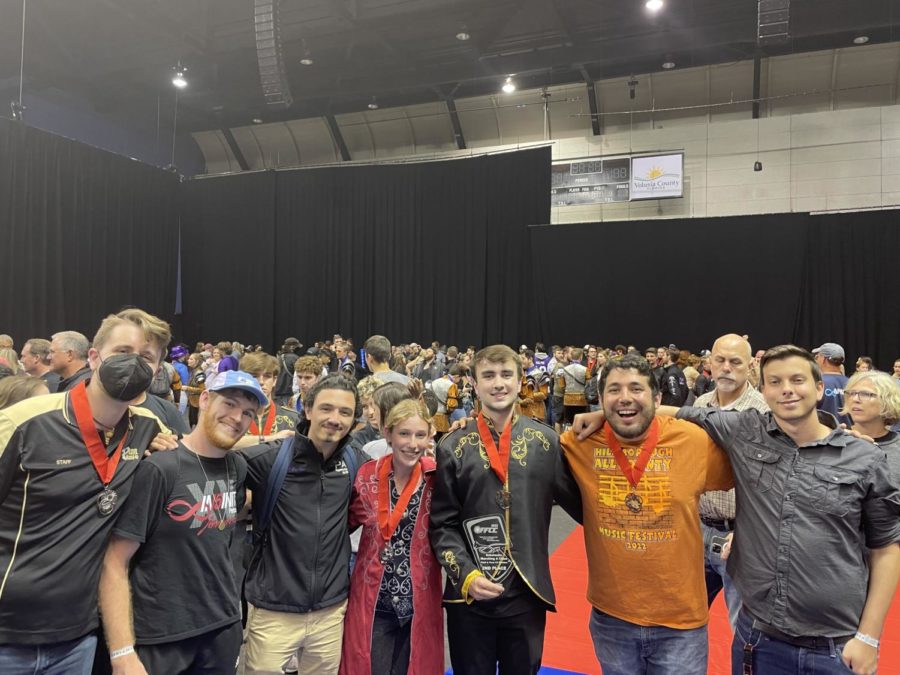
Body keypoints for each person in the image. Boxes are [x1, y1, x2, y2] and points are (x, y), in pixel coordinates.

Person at [575, 344, 900, 675]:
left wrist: (870, 637)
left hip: (836, 644)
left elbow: (887, 548)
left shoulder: (864, 457)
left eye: (797, 380)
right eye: (775, 381)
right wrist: (607, 412)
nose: (787, 389)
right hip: (759, 637)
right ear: (764, 389)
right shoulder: (745, 430)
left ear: (819, 388)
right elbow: (674, 412)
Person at [0, 308, 172, 674]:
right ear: (94, 357)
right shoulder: (23, 422)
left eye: (145, 357)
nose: (133, 363)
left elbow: (197, 444)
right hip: (7, 634)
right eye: (122, 351)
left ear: (157, 370)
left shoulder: (147, 428)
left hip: (77, 637)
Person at [560, 354, 733, 674]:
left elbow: (757, 472)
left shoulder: (692, 440)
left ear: (657, 398)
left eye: (636, 389)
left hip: (680, 623)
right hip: (612, 617)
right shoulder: (579, 442)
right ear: (600, 399)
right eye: (614, 390)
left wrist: (745, 528)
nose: (625, 397)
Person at [98, 371, 267, 675]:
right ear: (204, 399)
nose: (237, 418)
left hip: (222, 628)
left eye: (247, 413)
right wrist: (122, 651)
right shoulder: (160, 467)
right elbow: (114, 560)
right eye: (228, 404)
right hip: (162, 636)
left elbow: (223, 528)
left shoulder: (237, 467)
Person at [429, 344, 581, 675]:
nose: (498, 384)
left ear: (519, 379)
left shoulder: (546, 443)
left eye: (506, 375)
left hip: (527, 591)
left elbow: (584, 505)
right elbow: (442, 524)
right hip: (469, 594)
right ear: (474, 382)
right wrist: (466, 574)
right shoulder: (452, 446)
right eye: (488, 376)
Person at [240, 375, 371, 675]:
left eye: (345, 413)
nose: (335, 419)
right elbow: (213, 448)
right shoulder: (270, 459)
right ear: (308, 409)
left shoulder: (356, 463)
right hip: (273, 610)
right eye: (327, 408)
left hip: (330, 612)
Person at [340, 399, 443, 675]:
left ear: (430, 435)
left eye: (420, 435)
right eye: (404, 434)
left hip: (418, 600)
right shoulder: (366, 476)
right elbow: (340, 527)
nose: (412, 443)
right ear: (388, 434)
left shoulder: (438, 477)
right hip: (374, 601)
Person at [693, 334, 769, 631]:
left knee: (745, 628)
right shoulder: (700, 403)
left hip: (742, 536)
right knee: (686, 619)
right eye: (720, 360)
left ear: (750, 366)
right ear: (709, 363)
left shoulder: (764, 412)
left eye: (735, 362)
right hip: (698, 530)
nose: (726, 368)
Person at [841, 370, 900, 483]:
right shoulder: (835, 441)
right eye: (851, 393)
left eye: (865, 394)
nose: (855, 399)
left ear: (886, 400)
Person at [813, 342, 850, 426]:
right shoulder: (853, 383)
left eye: (817, 357)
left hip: (826, 435)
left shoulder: (817, 384)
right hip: (850, 436)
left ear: (823, 359)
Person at [182, 352, 207, 428]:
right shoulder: (193, 371)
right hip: (193, 401)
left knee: (195, 423)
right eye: (189, 358)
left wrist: (187, 388)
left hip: (197, 403)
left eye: (191, 359)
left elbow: (202, 389)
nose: (188, 360)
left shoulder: (199, 374)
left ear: (196, 361)